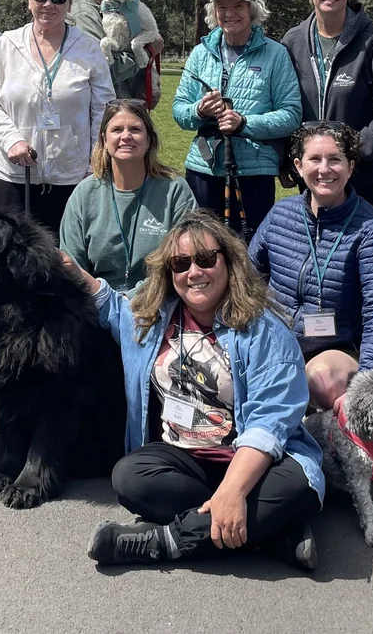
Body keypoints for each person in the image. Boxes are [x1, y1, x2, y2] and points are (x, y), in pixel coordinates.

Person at [66, 210, 324, 568]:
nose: (194, 272)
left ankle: (163, 541)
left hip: (258, 464)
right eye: (180, 263)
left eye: (205, 259)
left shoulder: (265, 331)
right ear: (169, 273)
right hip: (186, 461)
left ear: (229, 262)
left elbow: (270, 424)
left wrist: (234, 490)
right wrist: (74, 272)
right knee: (129, 477)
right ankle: (272, 534)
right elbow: (112, 307)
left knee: (299, 486)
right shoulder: (152, 320)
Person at [249, 121, 373, 411]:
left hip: (335, 347)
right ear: (298, 165)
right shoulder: (281, 213)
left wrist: (367, 380)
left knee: (322, 380)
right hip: (277, 339)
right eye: (314, 159)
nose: (324, 170)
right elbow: (246, 276)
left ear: (350, 166)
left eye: (335, 159)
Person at [0, 0, 115, 240]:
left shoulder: (88, 48)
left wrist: (93, 164)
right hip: (15, 174)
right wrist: (10, 140)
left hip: (72, 176)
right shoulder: (7, 43)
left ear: (69, 3)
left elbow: (104, 108)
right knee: (10, 258)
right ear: (29, 1)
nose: (48, 5)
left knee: (64, 260)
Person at [173, 0, 302, 237]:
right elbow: (179, 110)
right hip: (204, 167)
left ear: (252, 10)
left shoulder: (275, 54)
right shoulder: (201, 53)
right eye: (222, 7)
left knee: (249, 248)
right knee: (204, 245)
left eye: (238, 6)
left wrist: (244, 123)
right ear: (214, 12)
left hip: (254, 169)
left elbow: (291, 114)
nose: (229, 14)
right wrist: (200, 110)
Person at [280, 0, 373, 209]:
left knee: (356, 245)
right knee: (313, 242)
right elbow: (283, 104)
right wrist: (288, 159)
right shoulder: (292, 42)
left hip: (361, 172)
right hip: (312, 171)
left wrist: (352, 153)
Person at [60, 100, 196, 293]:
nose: (126, 136)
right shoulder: (84, 194)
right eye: (116, 130)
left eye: (135, 129)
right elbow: (72, 265)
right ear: (104, 140)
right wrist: (106, 301)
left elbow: (185, 261)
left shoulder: (175, 190)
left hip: (160, 302)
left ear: (149, 140)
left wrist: (131, 300)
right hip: (95, 302)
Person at [70, 0, 155, 100]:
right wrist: (148, 52)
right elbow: (103, 69)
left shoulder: (112, 7)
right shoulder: (84, 14)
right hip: (106, 107)